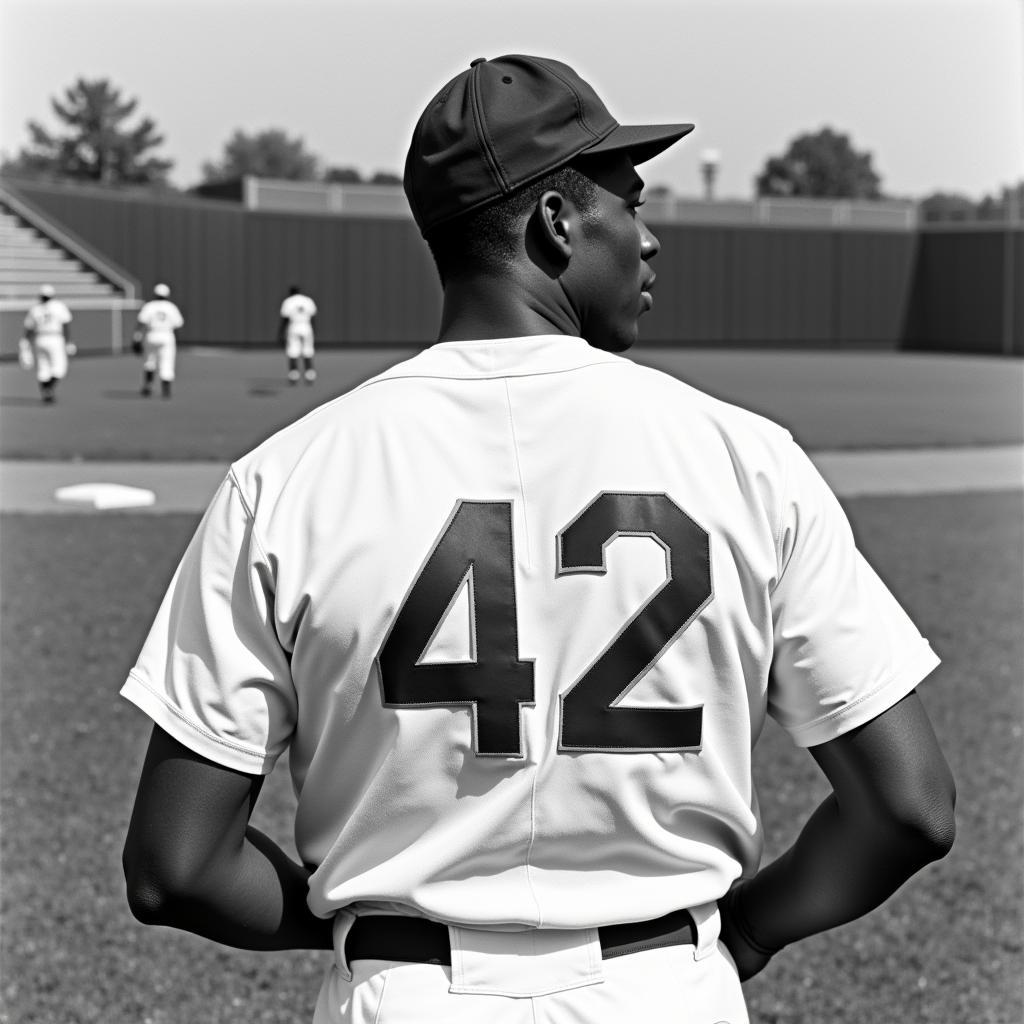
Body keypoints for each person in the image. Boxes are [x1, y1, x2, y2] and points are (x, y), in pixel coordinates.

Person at [121, 55, 956, 1024]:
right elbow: (908, 808)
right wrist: (751, 929)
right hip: (663, 989)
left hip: (406, 997)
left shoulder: (286, 475)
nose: (647, 241)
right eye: (629, 204)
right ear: (557, 223)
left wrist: (363, 925)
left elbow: (175, 868)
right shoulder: (744, 456)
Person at [22, 284, 74, 403]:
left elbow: (29, 328)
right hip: (55, 337)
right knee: (59, 367)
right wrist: (69, 341)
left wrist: (25, 342)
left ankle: (46, 391)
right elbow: (65, 324)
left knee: (43, 367)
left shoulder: (35, 308)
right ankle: (49, 388)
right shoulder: (59, 306)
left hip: (40, 338)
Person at [133, 282, 184, 398]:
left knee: (150, 361)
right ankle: (166, 389)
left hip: (152, 334)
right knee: (167, 362)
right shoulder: (171, 307)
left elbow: (141, 322)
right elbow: (178, 323)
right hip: (167, 335)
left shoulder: (150, 306)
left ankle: (148, 386)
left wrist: (137, 337)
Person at [279, 284, 318, 385]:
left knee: (293, 350)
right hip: (306, 326)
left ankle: (294, 375)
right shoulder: (307, 300)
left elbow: (285, 319)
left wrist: (280, 332)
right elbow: (312, 316)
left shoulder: (288, 301)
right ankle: (310, 374)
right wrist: (314, 329)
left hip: (294, 326)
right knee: (308, 350)